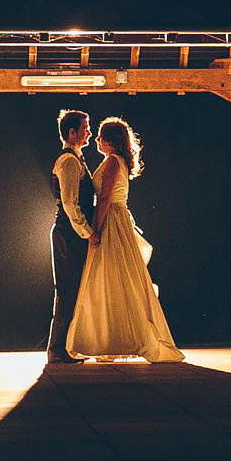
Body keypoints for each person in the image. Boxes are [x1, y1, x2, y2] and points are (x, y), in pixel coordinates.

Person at [64, 116, 184, 362]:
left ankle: (117, 337)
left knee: (108, 278)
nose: (96, 139)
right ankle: (114, 338)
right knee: (117, 280)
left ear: (110, 141)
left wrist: (95, 230)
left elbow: (106, 198)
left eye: (100, 135)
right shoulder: (117, 161)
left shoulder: (111, 162)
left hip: (111, 220)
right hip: (117, 217)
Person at [46, 109, 95, 363]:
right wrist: (88, 233)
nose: (89, 131)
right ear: (72, 132)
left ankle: (64, 347)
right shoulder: (67, 161)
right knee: (67, 290)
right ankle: (57, 350)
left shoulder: (77, 158)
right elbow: (69, 203)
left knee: (73, 290)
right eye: (85, 127)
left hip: (72, 234)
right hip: (68, 234)